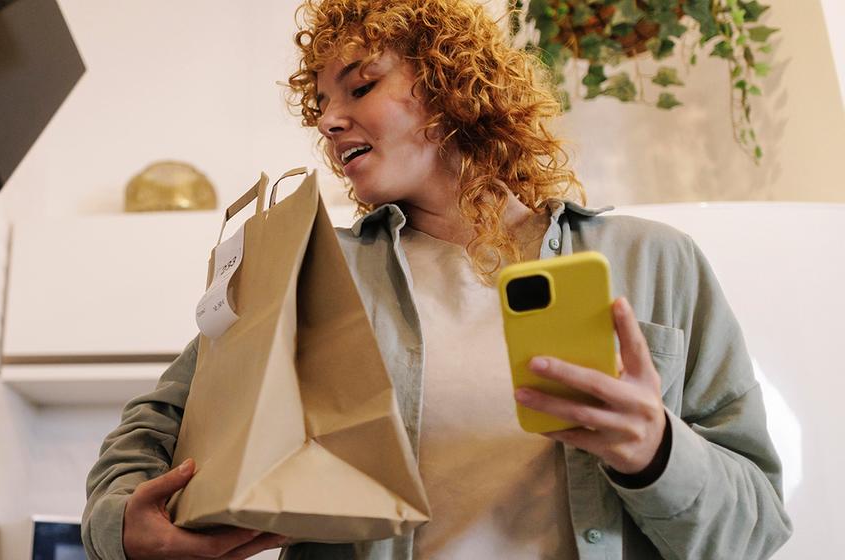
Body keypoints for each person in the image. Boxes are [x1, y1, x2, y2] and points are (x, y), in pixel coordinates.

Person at [82, 0, 792, 558]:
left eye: (360, 85)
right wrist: (121, 529)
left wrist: (656, 453)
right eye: (321, 106)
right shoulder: (306, 269)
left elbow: (755, 526)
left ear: (453, 82)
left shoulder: (656, 262)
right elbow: (155, 425)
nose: (329, 121)